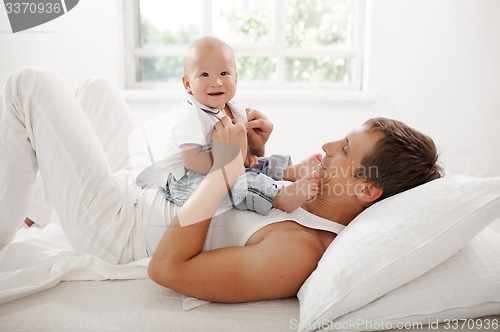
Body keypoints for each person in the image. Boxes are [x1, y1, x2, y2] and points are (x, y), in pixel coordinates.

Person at [0, 66, 442, 304]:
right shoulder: (312, 193)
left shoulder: (298, 252)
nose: (327, 145)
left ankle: (26, 217)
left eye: (345, 149)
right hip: (148, 188)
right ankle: (38, 213)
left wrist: (225, 169)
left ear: (367, 190)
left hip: (119, 228)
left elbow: (167, 269)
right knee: (95, 88)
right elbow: (250, 192)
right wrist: (252, 150)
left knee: (29, 85)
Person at [159, 36, 318, 215]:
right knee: (241, 182)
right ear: (188, 84)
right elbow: (192, 159)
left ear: (236, 79)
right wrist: (230, 166)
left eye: (224, 73)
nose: (216, 82)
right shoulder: (191, 114)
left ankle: (288, 171)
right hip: (185, 181)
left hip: (220, 166)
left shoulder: (236, 112)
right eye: (204, 75)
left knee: (256, 165)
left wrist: (247, 156)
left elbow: (242, 150)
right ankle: (278, 197)